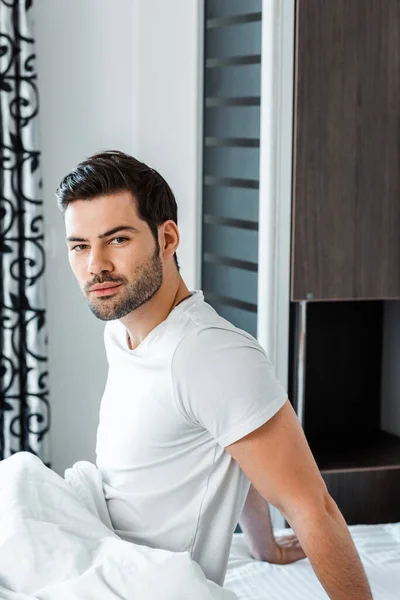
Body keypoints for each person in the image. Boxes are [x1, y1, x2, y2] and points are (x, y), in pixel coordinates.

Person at [57, 150, 373, 598]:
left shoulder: (210, 354)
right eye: (80, 246)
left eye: (118, 240)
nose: (96, 265)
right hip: (100, 556)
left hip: (139, 587)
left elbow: (313, 508)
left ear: (167, 239)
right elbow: (230, 443)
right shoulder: (122, 328)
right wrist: (264, 546)